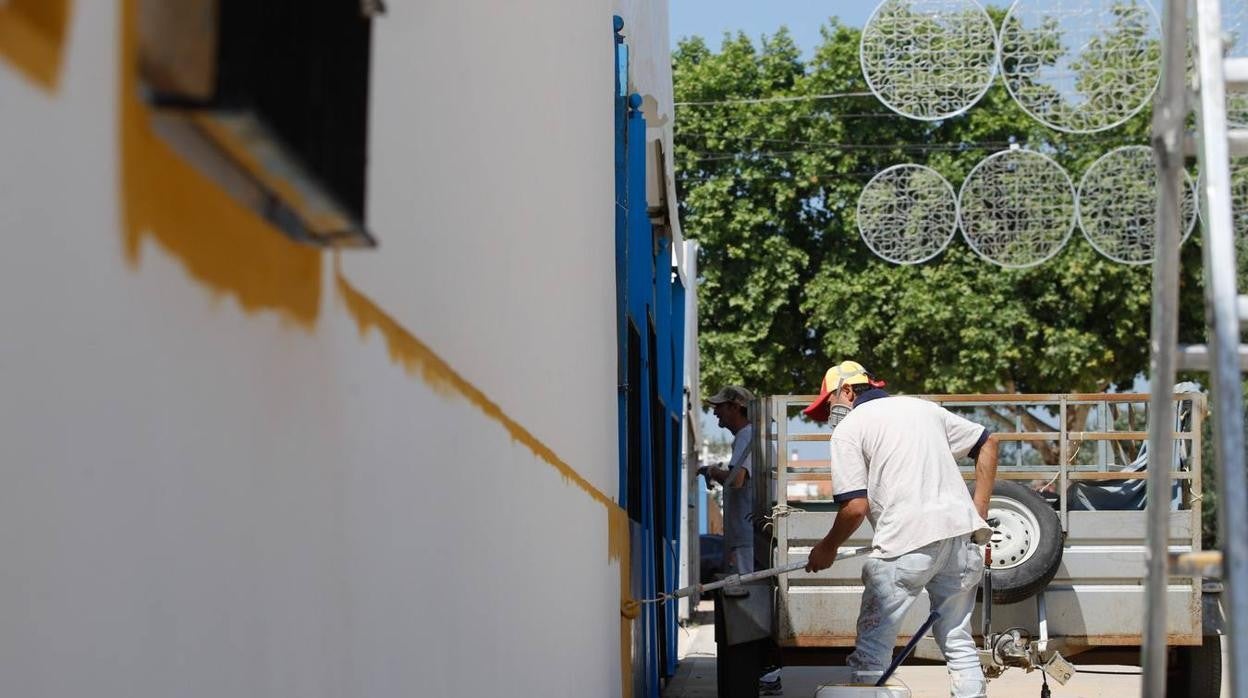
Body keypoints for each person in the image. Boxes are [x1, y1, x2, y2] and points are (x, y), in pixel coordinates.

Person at [801, 361, 998, 698]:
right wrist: (978, 511)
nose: (830, 416)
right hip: (960, 542)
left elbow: (855, 507)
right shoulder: (923, 409)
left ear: (847, 391)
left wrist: (828, 547)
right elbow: (988, 442)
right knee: (957, 640)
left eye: (830, 405)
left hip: (906, 543)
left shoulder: (850, 429)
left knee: (872, 651)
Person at [699, 385, 757, 574]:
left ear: (735, 407)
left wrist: (713, 472)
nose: (715, 412)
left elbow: (736, 480)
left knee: (747, 591)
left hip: (746, 535)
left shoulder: (746, 435)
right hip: (751, 533)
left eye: (720, 406)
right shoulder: (753, 436)